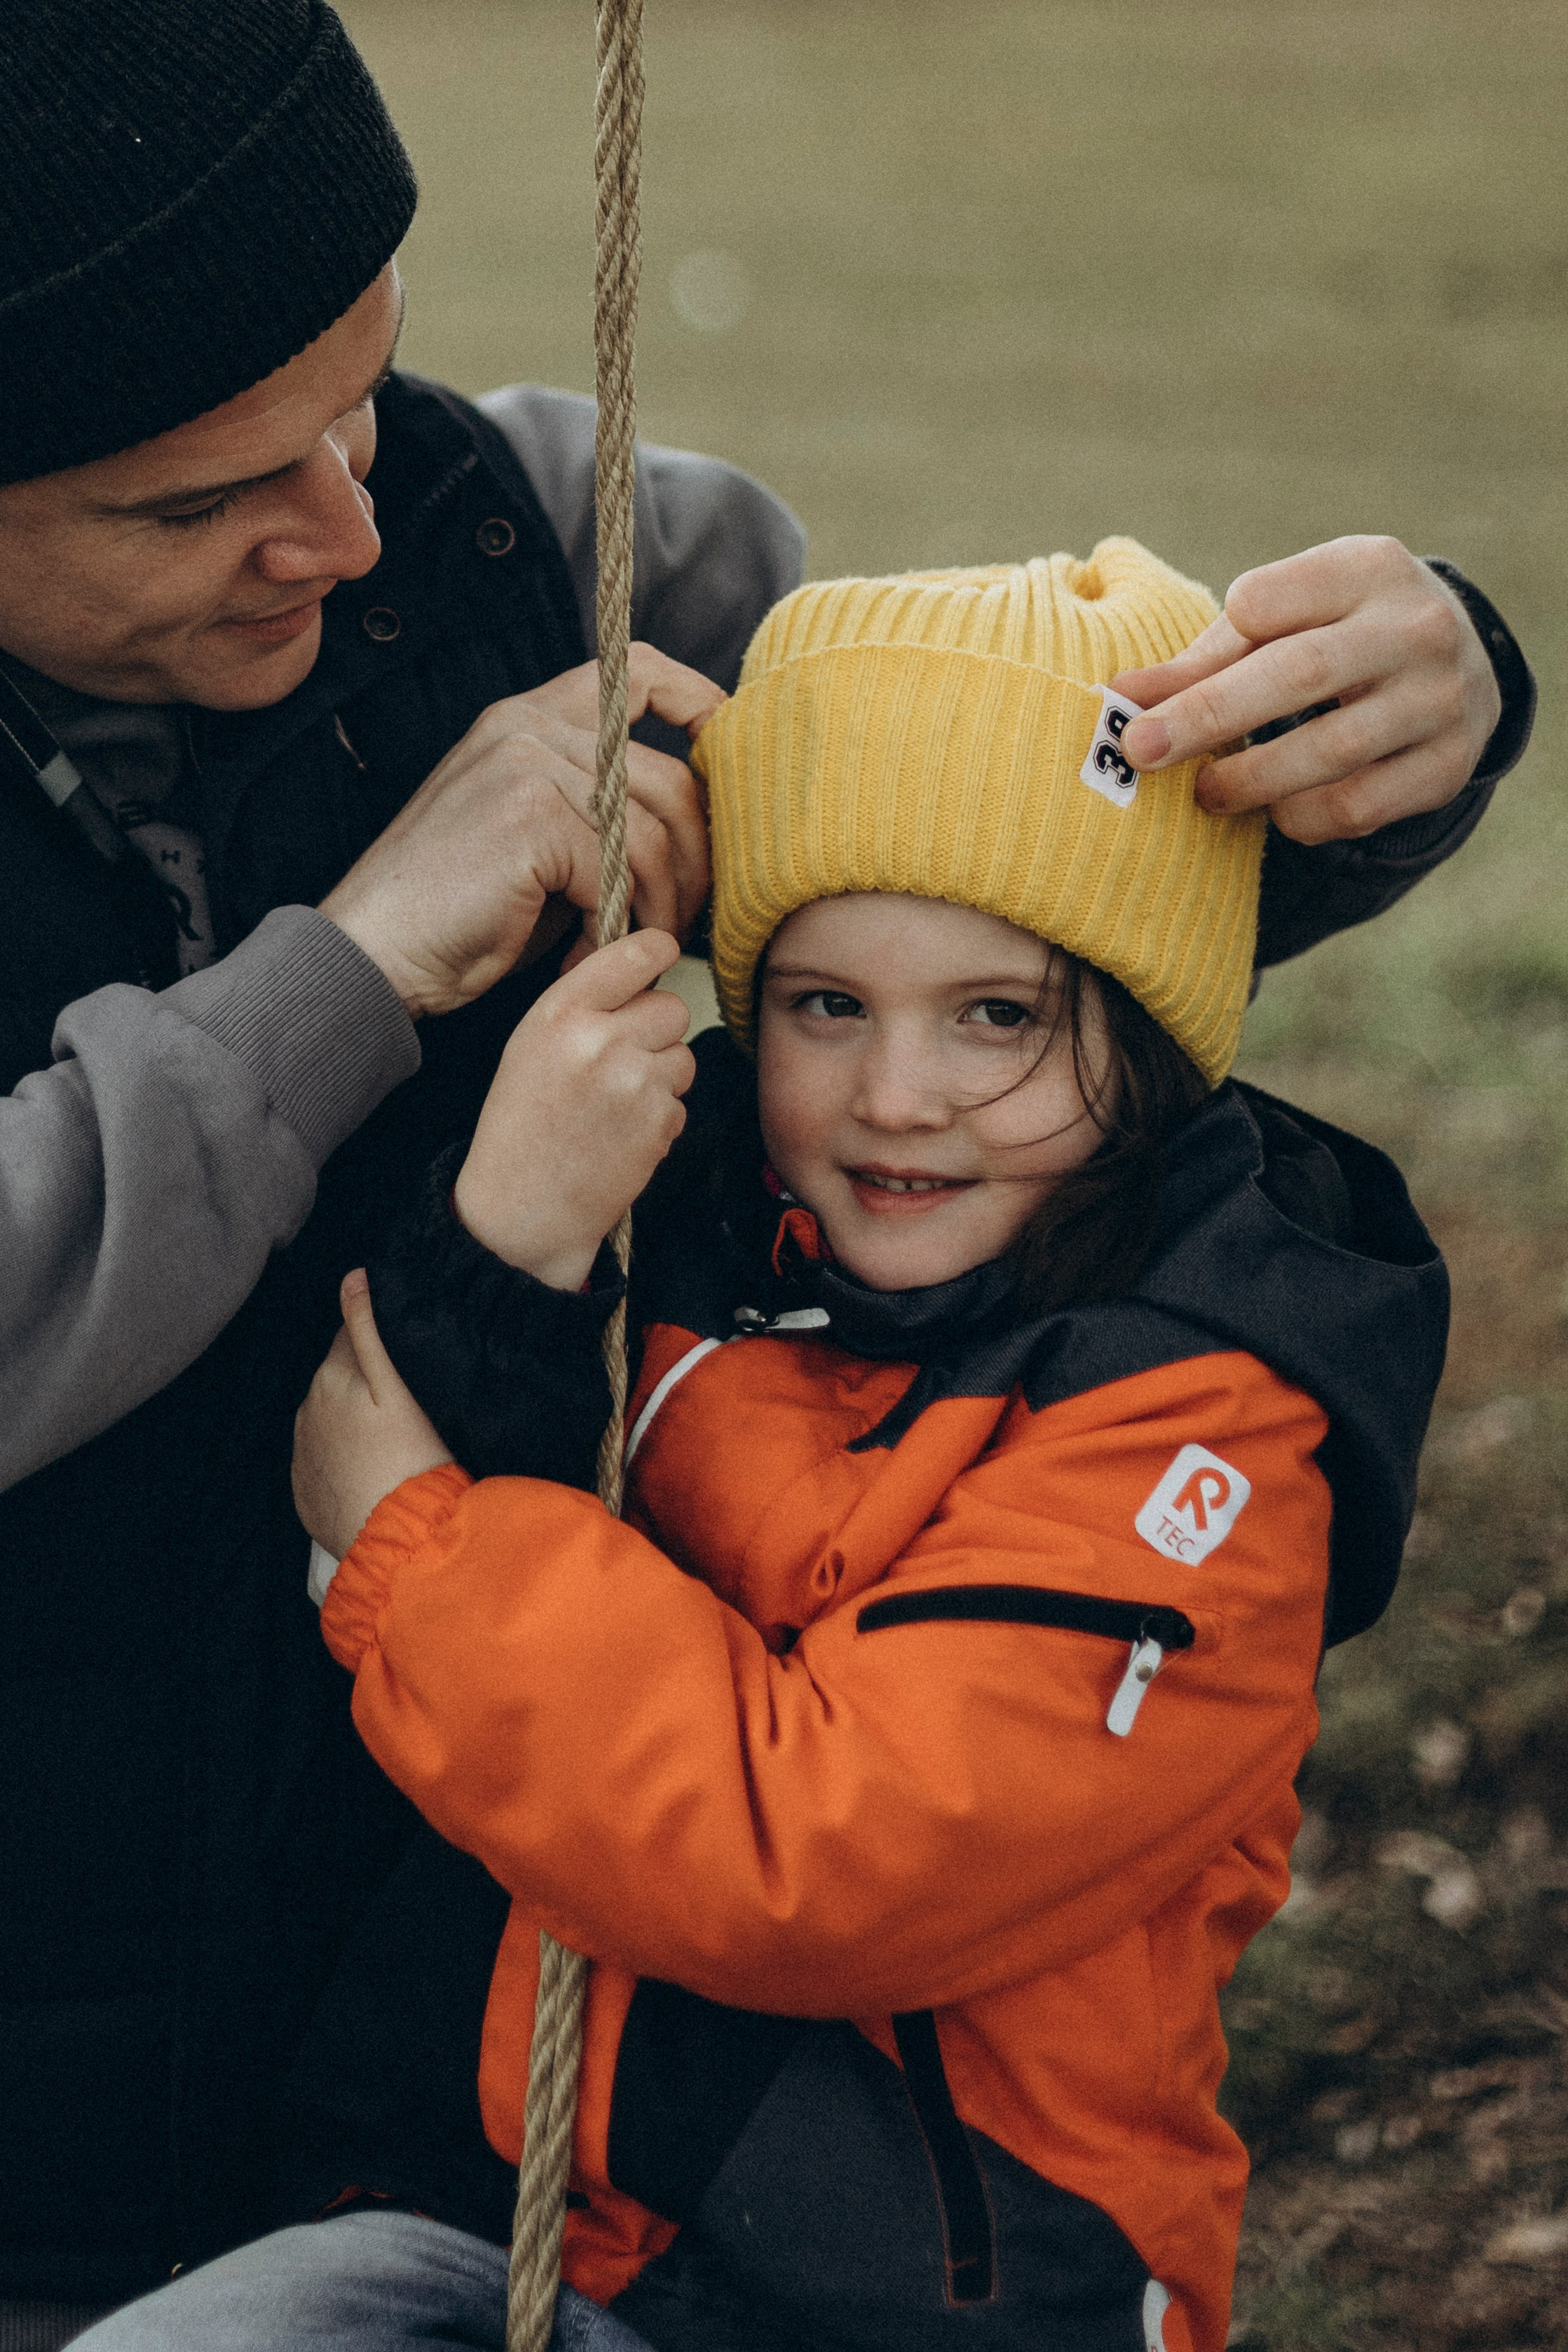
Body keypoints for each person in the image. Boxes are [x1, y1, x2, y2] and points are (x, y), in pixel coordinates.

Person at [0, 0, 1534, 2331]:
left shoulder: (549, 551)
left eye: (362, 394)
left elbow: (988, 892)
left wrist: (1407, 723)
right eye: (202, 498)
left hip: (488, 2129)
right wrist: (354, 965)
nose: (347, 520)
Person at [88, 541, 1450, 2351]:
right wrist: (509, 1233)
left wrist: (422, 1555)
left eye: (998, 1015)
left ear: (1152, 1022)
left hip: (918, 2296)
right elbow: (410, 1426)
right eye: (826, 1004)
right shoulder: (719, 1217)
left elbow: (829, 1840)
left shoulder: (1203, 1419)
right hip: (502, 2222)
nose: (897, 1093)